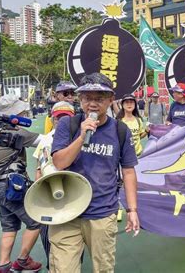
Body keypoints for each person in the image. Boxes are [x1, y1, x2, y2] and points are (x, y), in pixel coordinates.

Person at [50, 73, 140, 273]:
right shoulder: (68, 125)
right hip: (66, 212)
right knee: (62, 269)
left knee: (103, 268)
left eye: (99, 98)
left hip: (102, 213)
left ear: (110, 100)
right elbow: (59, 162)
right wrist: (82, 136)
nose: (92, 103)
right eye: (87, 98)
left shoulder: (120, 130)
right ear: (80, 99)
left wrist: (132, 210)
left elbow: (128, 171)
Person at [0, 94, 43, 273]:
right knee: (36, 221)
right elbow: (45, 142)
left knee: (9, 226)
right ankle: (22, 261)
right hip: (11, 185)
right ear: (13, 113)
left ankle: (4, 266)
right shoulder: (15, 132)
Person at [32, 101, 75, 271]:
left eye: (66, 117)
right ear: (53, 119)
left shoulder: (78, 138)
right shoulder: (45, 140)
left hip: (71, 193)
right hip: (49, 194)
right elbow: (38, 168)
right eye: (59, 118)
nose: (62, 121)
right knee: (49, 237)